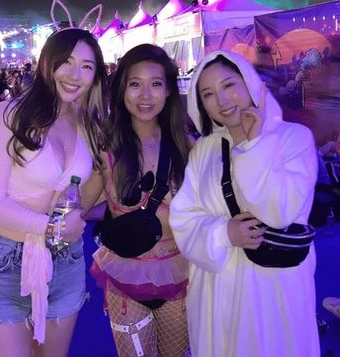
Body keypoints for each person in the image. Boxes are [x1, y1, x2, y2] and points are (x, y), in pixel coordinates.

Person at [0, 20, 107, 356]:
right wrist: (52, 227)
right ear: (47, 63)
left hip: (65, 264)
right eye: (66, 61)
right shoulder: (11, 114)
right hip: (2, 263)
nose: (75, 75)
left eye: (87, 66)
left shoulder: (91, 126)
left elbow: (85, 202)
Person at [169, 50, 320, 356]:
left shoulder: (293, 139)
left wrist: (254, 146)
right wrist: (223, 234)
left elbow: (279, 212)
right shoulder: (204, 150)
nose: (222, 100)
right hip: (217, 287)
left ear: (249, 82)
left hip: (272, 288)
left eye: (229, 85)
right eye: (208, 94)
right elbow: (184, 216)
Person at [82, 44, 192, 357]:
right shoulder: (106, 147)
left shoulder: (187, 146)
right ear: (122, 89)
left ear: (168, 90)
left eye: (155, 84)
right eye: (135, 84)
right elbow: (81, 207)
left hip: (179, 275)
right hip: (125, 277)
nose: (145, 95)